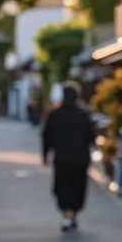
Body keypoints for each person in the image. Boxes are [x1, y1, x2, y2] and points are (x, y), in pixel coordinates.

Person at [42, 82, 95, 231]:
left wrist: (45, 154)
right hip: (80, 158)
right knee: (78, 186)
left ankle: (68, 215)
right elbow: (91, 136)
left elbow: (47, 136)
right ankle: (71, 215)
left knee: (62, 187)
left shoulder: (54, 115)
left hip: (62, 158)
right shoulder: (83, 115)